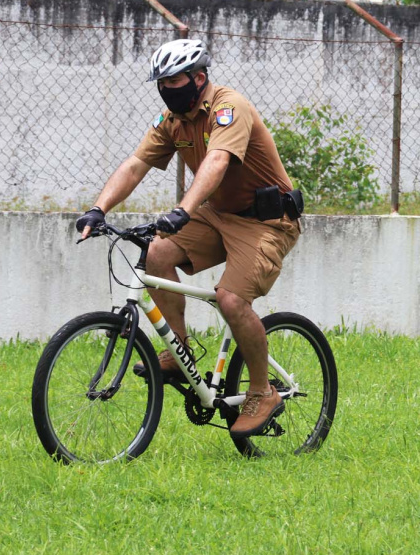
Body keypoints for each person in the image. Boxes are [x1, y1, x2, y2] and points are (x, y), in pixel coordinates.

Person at [75, 39, 301, 439]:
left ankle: (263, 391)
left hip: (267, 220)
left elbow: (216, 162)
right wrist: (99, 208)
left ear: (199, 78)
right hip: (219, 215)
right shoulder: (172, 121)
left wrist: (182, 211)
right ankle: (178, 352)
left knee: (231, 299)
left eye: (173, 80)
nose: (166, 88)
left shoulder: (229, 109)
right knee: (158, 254)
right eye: (160, 82)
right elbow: (136, 164)